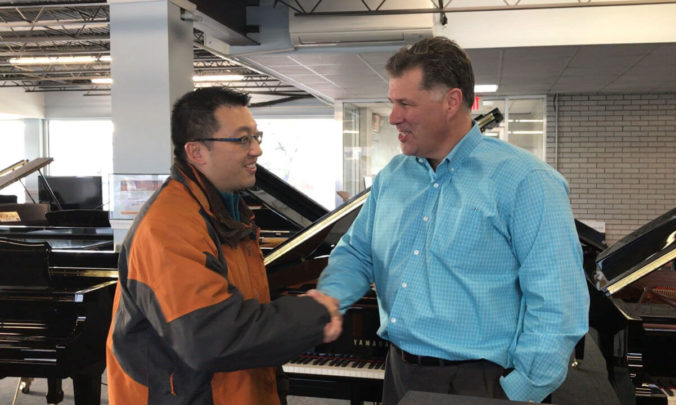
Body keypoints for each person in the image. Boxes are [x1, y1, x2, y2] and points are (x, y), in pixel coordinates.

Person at [314, 36, 589, 404]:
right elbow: (358, 253)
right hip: (399, 372)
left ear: (451, 102)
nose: (393, 116)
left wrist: (521, 391)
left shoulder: (526, 181)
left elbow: (558, 301)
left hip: (480, 383)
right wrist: (330, 297)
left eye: (405, 103)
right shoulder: (392, 176)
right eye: (392, 102)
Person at [105, 87, 342, 405]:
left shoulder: (227, 216)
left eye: (257, 137)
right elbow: (212, 337)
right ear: (197, 152)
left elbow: (246, 316)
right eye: (242, 139)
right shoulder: (170, 225)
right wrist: (314, 313)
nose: (256, 150)